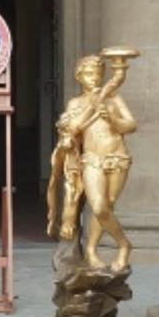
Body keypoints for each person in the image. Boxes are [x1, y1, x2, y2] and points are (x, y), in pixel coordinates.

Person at [47, 54, 137, 271]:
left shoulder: (114, 98)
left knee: (108, 204)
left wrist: (113, 119)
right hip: (91, 159)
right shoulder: (76, 103)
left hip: (117, 157)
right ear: (79, 77)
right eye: (88, 74)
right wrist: (94, 105)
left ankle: (91, 250)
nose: (94, 78)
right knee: (98, 205)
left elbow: (131, 125)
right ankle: (124, 245)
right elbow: (74, 128)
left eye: (97, 74)